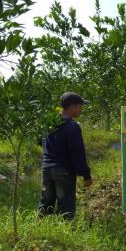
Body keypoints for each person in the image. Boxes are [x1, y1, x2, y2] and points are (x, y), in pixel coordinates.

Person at [38, 92, 93, 220]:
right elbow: (78, 154)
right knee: (66, 207)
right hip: (64, 171)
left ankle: (42, 232)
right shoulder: (72, 127)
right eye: (80, 106)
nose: (81, 109)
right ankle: (64, 234)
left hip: (46, 168)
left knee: (45, 203)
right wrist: (86, 175)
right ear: (72, 107)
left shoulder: (49, 123)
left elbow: (39, 140)